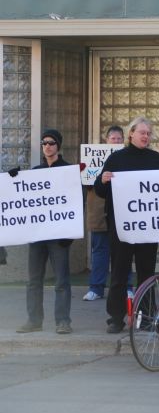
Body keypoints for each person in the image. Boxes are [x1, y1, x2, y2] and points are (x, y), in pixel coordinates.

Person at [94, 116, 159, 334]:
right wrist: (102, 180)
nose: (146, 136)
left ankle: (147, 316)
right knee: (119, 272)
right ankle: (115, 318)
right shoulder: (117, 158)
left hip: (147, 229)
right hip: (121, 228)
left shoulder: (156, 159)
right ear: (131, 133)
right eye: (142, 132)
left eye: (148, 133)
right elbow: (100, 191)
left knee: (147, 273)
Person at [16, 129, 73, 334]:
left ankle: (63, 321)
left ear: (58, 146)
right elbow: (24, 197)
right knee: (33, 280)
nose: (47, 146)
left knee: (61, 281)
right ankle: (34, 320)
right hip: (38, 234)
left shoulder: (68, 170)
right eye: (44, 143)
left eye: (51, 143)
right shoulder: (36, 171)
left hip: (58, 235)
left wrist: (70, 233)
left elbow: (74, 203)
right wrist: (14, 178)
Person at [83, 125, 134, 301]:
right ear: (106, 140)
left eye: (120, 138)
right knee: (99, 251)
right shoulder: (91, 158)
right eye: (113, 138)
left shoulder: (127, 157)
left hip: (120, 211)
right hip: (99, 212)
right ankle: (96, 288)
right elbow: (87, 183)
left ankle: (127, 287)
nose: (117, 141)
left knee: (123, 252)